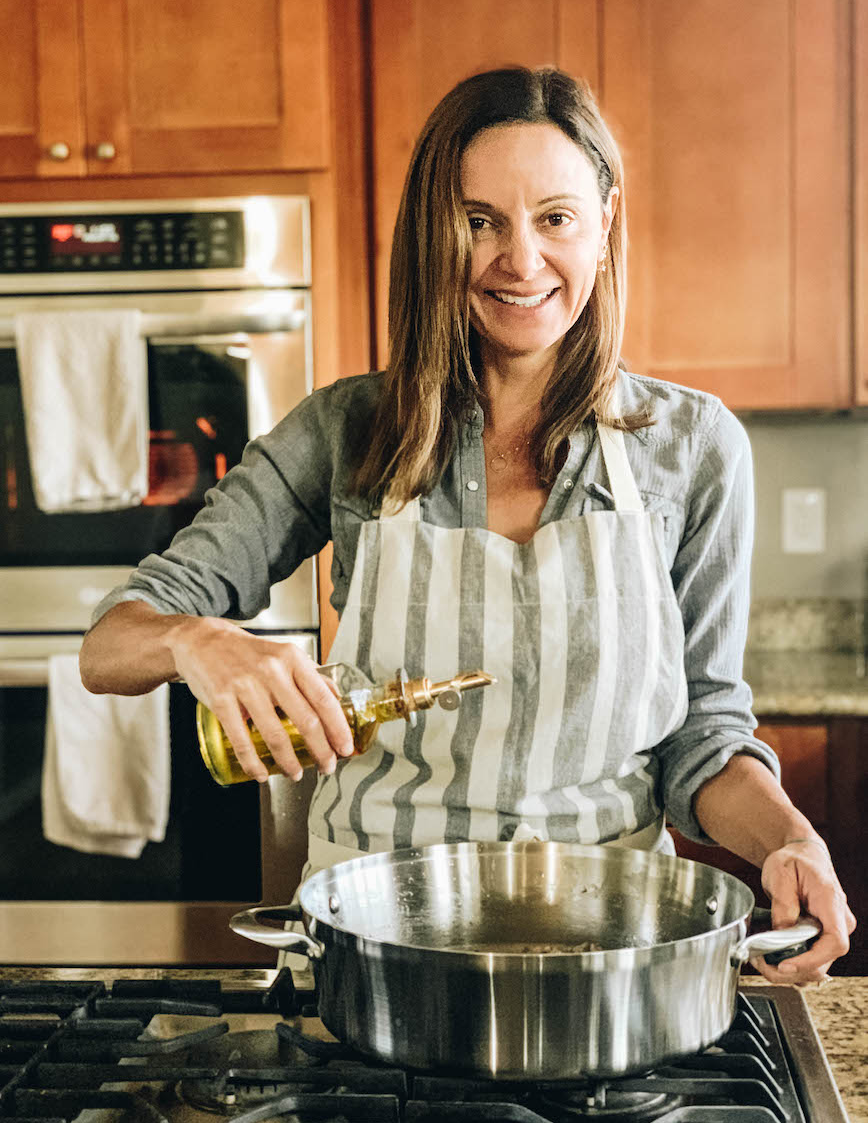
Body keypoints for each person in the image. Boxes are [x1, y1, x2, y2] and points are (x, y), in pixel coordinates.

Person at [80, 65, 855, 984]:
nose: (519, 260)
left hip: (608, 962)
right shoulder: (346, 432)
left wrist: (790, 838)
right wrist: (196, 640)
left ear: (605, 222)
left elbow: (703, 742)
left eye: (555, 218)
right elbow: (109, 647)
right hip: (372, 951)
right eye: (479, 220)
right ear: (433, 237)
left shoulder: (693, 448)